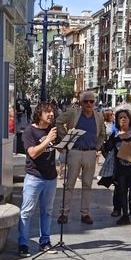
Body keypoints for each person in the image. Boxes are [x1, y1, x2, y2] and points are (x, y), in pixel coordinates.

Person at [55, 90, 107, 225]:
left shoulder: (99, 116)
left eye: (91, 101)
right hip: (75, 152)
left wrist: (97, 147)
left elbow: (102, 133)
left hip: (90, 153)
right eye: (86, 101)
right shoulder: (73, 113)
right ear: (81, 102)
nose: (89, 104)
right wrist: (66, 138)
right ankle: (64, 212)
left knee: (87, 185)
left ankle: (85, 213)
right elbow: (58, 121)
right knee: (69, 184)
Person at [17, 102, 59, 257]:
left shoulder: (52, 130)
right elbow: (33, 153)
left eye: (52, 112)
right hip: (34, 177)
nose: (51, 114)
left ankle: (45, 241)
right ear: (39, 114)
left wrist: (68, 140)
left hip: (51, 177)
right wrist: (47, 140)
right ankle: (23, 244)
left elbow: (60, 148)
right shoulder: (30, 131)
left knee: (47, 211)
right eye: (47, 112)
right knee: (27, 212)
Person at [102, 106, 131, 229]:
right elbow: (106, 147)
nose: (123, 120)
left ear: (130, 119)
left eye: (125, 117)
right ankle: (125, 215)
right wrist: (118, 139)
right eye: (120, 118)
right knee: (122, 192)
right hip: (120, 169)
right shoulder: (115, 134)